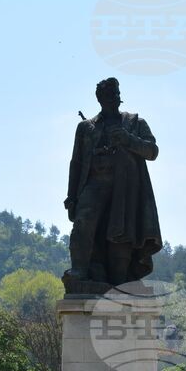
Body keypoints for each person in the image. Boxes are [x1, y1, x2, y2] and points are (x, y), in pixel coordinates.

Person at [63, 77, 162, 290]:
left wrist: (127, 139)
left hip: (126, 187)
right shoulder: (86, 127)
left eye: (115, 95)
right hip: (95, 183)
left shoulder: (134, 123)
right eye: (108, 96)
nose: (113, 99)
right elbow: (76, 163)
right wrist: (71, 197)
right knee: (83, 223)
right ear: (100, 99)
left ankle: (120, 281)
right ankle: (79, 271)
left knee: (122, 234)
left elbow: (152, 151)